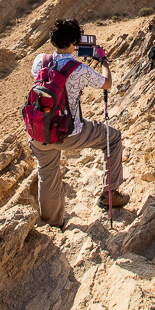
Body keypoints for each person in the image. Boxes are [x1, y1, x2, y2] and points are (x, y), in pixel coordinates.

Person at [29, 18, 128, 228]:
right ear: (74, 42)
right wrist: (103, 62)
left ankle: (52, 223)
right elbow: (107, 84)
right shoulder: (79, 69)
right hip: (69, 133)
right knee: (114, 138)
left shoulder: (40, 60)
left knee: (47, 174)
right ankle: (110, 194)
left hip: (40, 132)